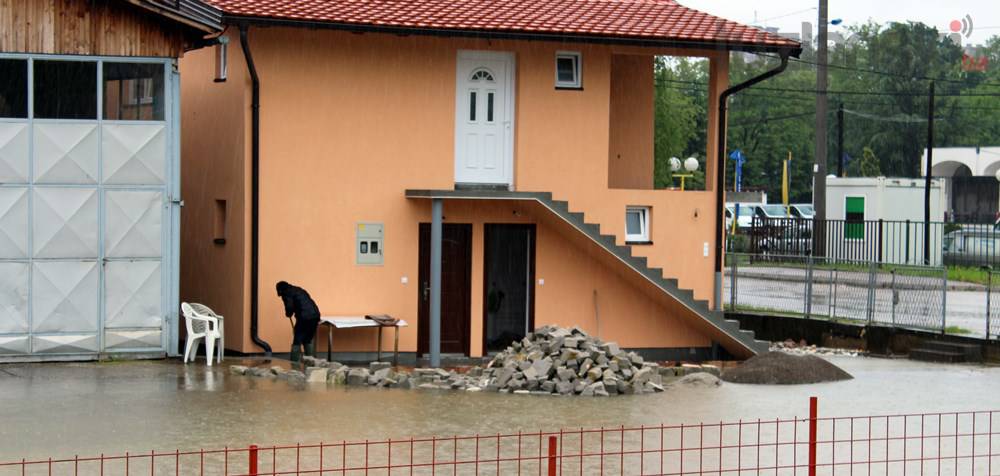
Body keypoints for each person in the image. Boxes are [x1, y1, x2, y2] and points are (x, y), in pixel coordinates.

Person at [276, 281, 321, 362]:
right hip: (315, 316)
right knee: (308, 339)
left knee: (297, 340)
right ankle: (310, 362)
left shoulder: (286, 293)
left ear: (280, 290)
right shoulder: (299, 290)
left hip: (304, 318)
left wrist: (288, 313)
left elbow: (289, 306)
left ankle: (294, 364)